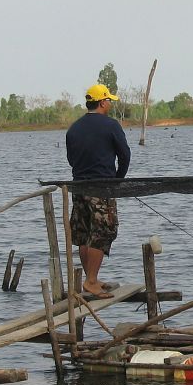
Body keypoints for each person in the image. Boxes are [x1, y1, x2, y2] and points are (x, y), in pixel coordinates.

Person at [65, 83, 131, 299]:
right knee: (103, 231)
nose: (110, 104)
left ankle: (91, 279)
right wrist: (117, 180)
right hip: (101, 187)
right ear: (102, 102)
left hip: (79, 187)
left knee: (85, 234)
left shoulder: (74, 128)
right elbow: (125, 155)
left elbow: (71, 159)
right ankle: (91, 281)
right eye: (109, 100)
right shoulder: (111, 125)